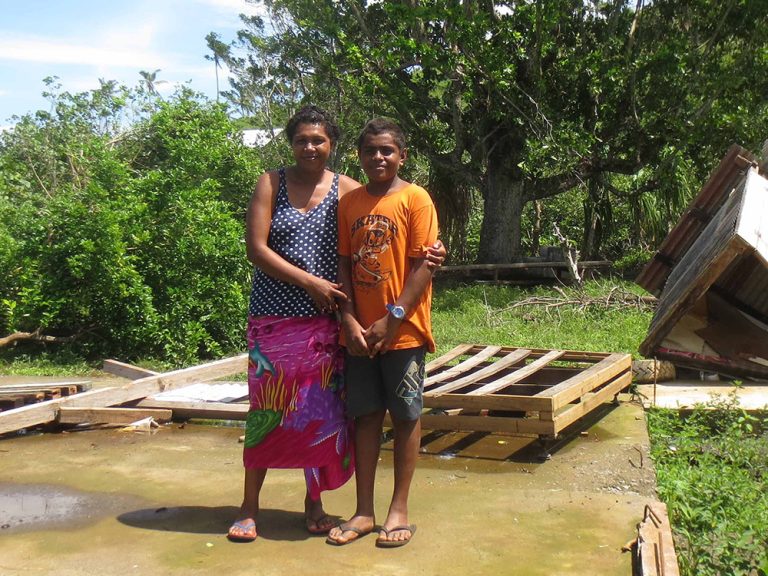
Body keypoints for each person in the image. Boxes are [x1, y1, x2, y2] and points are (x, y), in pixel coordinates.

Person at [228, 107, 445, 543]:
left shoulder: (358, 192)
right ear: (290, 142)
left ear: (332, 146)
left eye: (319, 140)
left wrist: (398, 305)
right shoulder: (278, 184)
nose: (310, 147)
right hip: (288, 319)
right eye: (302, 139)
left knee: (323, 417)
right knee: (270, 411)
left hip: (342, 326)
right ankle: (254, 507)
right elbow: (258, 248)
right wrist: (329, 299)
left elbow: (414, 257)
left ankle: (324, 505)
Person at [327, 118, 438, 548]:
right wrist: (349, 320)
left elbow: (423, 266)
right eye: (371, 150)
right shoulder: (350, 203)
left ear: (402, 156)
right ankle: (364, 511)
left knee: (406, 416)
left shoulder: (416, 199)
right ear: (359, 156)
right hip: (358, 335)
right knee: (366, 417)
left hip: (402, 334)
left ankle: (399, 510)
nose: (379, 157)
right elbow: (343, 265)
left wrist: (391, 319)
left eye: (387, 151)